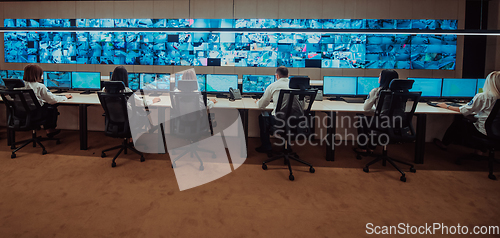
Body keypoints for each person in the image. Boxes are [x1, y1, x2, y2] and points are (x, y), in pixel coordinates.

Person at [433, 71, 500, 154]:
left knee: (459, 122)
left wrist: (446, 106)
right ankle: (480, 150)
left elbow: (463, 110)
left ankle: (444, 144)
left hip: (485, 132)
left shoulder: (483, 96)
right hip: (497, 133)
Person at [354, 69, 400, 154]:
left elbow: (366, 108)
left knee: (362, 119)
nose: (378, 77)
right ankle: (372, 147)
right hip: (399, 123)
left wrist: (377, 109)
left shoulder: (377, 91)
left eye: (380, 76)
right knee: (375, 120)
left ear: (383, 79)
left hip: (383, 123)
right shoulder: (402, 93)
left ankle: (363, 147)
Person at [21, 64, 72, 137]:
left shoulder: (18, 86)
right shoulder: (39, 86)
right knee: (51, 108)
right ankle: (49, 130)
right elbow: (52, 100)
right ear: (37, 75)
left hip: (21, 114)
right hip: (36, 114)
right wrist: (65, 97)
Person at [254, 66, 291, 153]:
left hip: (278, 121)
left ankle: (266, 146)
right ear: (288, 75)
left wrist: (257, 102)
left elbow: (262, 105)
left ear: (277, 76)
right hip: (297, 121)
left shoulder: (273, 86)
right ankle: (287, 147)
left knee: (262, 117)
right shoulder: (296, 86)